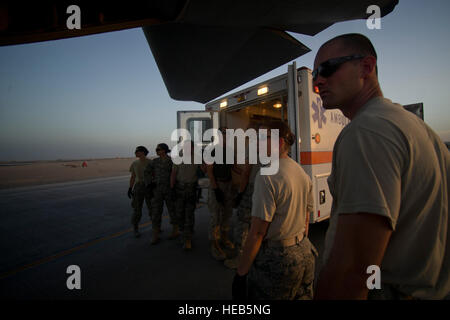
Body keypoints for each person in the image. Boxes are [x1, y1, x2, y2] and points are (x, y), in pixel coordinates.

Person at [313, 33, 449, 300]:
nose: (318, 80)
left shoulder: (365, 132)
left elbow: (353, 271)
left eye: (327, 69)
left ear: (366, 67)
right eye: (315, 73)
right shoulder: (419, 129)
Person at [233, 121, 316, 300]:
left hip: (279, 260)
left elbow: (257, 233)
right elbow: (306, 218)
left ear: (279, 143)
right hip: (305, 252)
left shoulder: (267, 176)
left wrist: (241, 274)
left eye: (263, 138)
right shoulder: (300, 171)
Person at [206, 126, 237, 261]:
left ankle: (224, 238)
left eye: (227, 134)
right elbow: (209, 171)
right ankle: (215, 244)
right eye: (223, 133)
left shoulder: (230, 150)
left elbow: (234, 167)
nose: (226, 135)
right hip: (217, 185)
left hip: (228, 185)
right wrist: (216, 189)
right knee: (215, 216)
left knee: (227, 214)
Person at [144, 143, 178, 245]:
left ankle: (175, 230)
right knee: (156, 212)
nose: (157, 151)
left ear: (164, 150)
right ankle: (155, 234)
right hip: (157, 190)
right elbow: (147, 172)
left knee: (172, 210)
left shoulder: (172, 160)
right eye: (156, 149)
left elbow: (177, 173)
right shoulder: (154, 161)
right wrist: (149, 183)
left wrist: (175, 186)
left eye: (159, 149)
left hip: (169, 189)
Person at [170, 141, 202, 250]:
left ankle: (187, 238)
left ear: (193, 148)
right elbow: (173, 174)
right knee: (179, 214)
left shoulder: (197, 157)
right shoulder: (178, 157)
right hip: (179, 188)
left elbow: (204, 169)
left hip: (191, 189)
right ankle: (183, 233)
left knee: (189, 214)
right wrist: (171, 188)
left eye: (190, 147)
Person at [128, 146, 153, 238]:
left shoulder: (151, 163)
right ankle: (135, 228)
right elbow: (133, 177)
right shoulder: (135, 163)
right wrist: (130, 188)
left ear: (142, 152)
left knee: (152, 208)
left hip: (149, 187)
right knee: (137, 209)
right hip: (138, 187)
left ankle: (156, 227)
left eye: (137, 151)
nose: (135, 153)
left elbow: (154, 175)